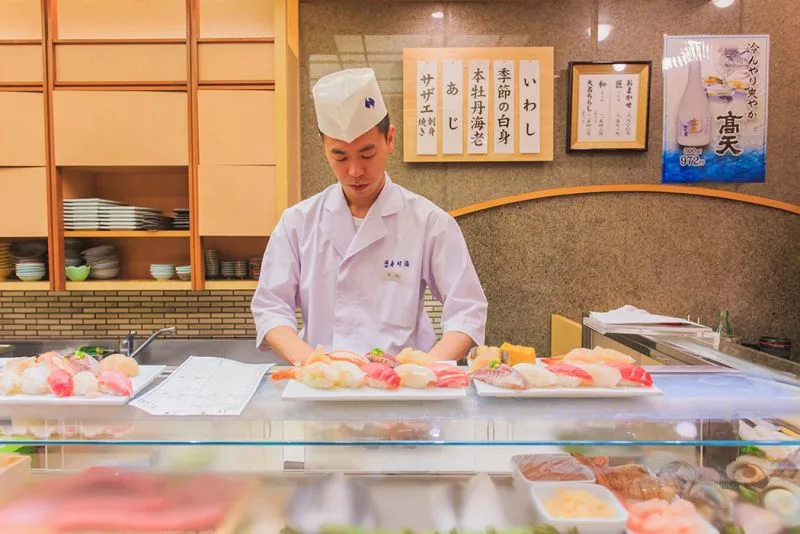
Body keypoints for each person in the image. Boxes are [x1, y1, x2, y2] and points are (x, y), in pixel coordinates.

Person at [251, 68, 487, 364]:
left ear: (390, 139)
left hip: (403, 381)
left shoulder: (430, 222)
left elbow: (467, 310)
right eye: (339, 156)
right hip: (322, 378)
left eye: (367, 154)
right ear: (324, 149)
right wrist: (312, 363)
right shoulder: (297, 223)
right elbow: (271, 307)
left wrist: (425, 369)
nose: (354, 171)